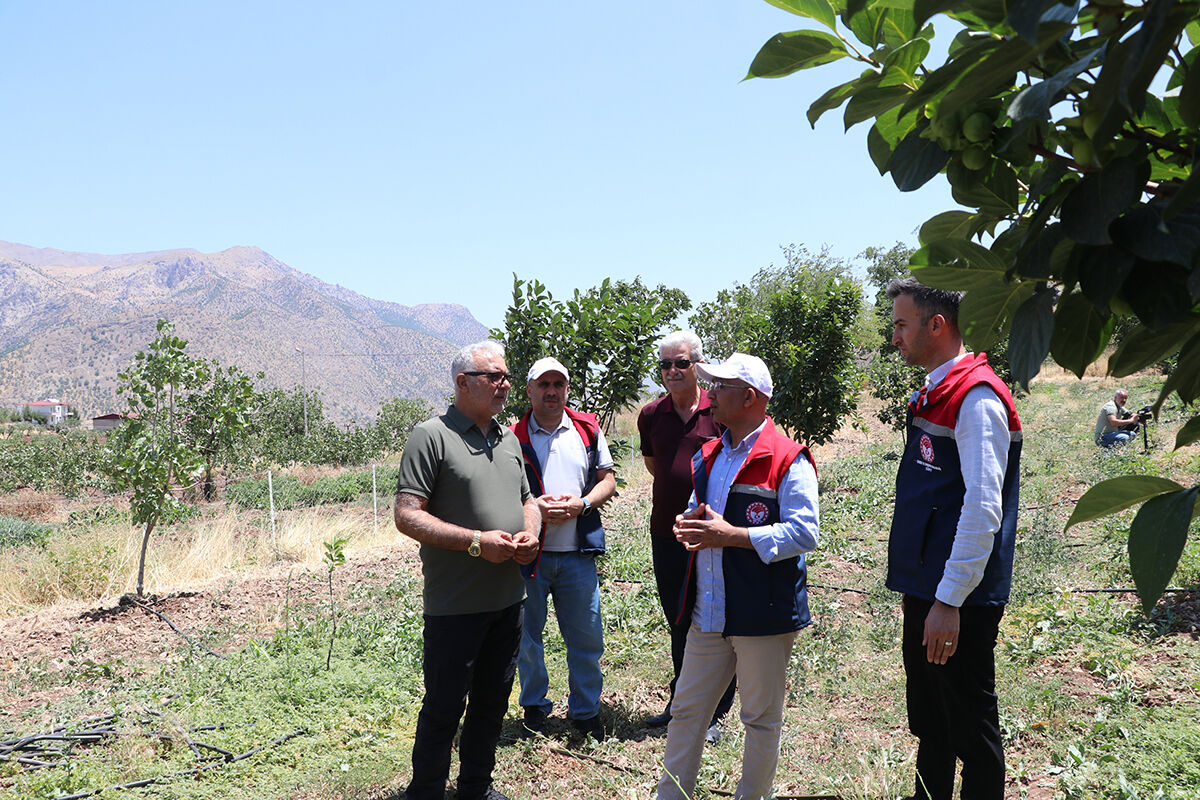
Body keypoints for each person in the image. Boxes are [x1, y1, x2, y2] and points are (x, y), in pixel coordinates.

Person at [655, 353, 819, 800]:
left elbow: (805, 533)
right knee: (687, 711)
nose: (710, 395)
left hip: (761, 611)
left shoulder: (788, 458)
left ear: (748, 397)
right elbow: (698, 510)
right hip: (709, 611)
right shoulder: (710, 454)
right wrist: (689, 524)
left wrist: (732, 535)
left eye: (720, 387)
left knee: (760, 718)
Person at [886, 278, 1022, 800]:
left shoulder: (976, 399)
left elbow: (983, 507)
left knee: (969, 721)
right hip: (929, 584)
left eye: (901, 325)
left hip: (955, 596)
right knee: (932, 718)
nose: (895, 338)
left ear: (936, 325)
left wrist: (949, 600)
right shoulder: (940, 388)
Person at [393, 340, 541, 800]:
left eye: (506, 376)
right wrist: (477, 543)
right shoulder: (431, 436)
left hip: (508, 600)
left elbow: (527, 500)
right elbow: (407, 515)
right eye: (493, 377)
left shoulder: (507, 437)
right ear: (463, 383)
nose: (505, 385)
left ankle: (476, 787)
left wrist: (532, 533)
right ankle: (427, 790)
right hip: (456, 604)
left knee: (492, 703)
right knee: (444, 706)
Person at [511, 357, 617, 741]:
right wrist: (535, 509)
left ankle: (586, 711)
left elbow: (607, 480)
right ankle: (535, 708)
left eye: (559, 384)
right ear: (530, 390)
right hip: (530, 556)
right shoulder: (513, 436)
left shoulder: (587, 430)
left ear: (567, 389)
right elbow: (506, 494)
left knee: (586, 636)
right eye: (544, 384)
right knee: (528, 637)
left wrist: (583, 504)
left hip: (577, 555)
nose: (552, 391)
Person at [637, 331, 736, 741]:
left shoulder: (721, 408)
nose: (672, 371)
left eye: (680, 363)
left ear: (697, 365)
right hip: (668, 533)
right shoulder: (650, 414)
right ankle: (683, 701)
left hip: (714, 534)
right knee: (678, 618)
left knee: (715, 619)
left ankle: (715, 710)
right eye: (665, 365)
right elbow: (654, 466)